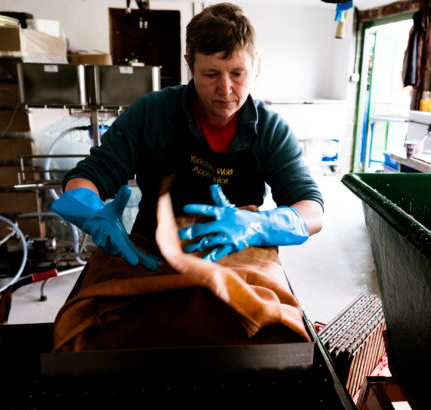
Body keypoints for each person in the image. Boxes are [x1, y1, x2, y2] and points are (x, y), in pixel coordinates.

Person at [51, 2, 324, 270]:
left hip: (239, 253)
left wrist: (258, 225)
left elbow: (312, 210)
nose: (225, 89)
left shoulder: (270, 128)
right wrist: (94, 214)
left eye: (237, 73)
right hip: (153, 253)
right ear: (189, 65)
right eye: (211, 74)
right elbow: (88, 175)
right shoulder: (151, 113)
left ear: (257, 67)